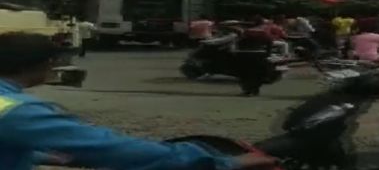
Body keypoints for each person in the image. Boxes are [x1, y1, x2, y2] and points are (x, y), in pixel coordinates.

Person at [0, 32, 276, 169]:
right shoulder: (20, 112)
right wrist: (226, 163)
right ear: (41, 64)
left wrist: (37, 155)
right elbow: (111, 148)